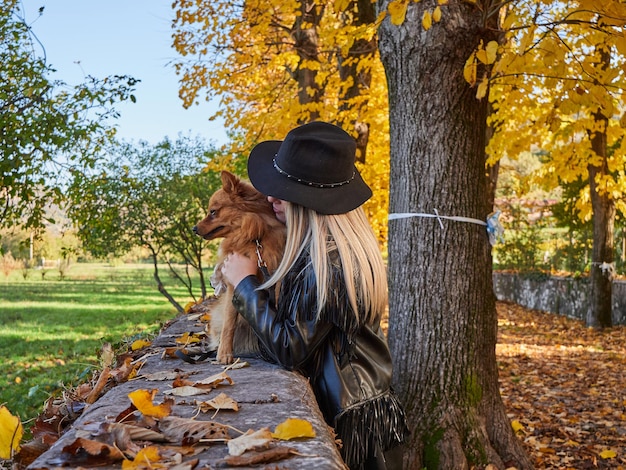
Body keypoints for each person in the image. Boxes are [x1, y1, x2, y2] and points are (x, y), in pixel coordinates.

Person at [221, 121, 409, 469]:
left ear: (312, 202)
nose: (270, 196)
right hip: (359, 413)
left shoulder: (330, 265)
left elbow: (290, 349)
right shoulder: (323, 253)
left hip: (353, 429)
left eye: (284, 190)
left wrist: (245, 284)